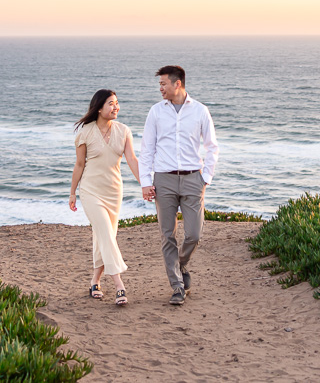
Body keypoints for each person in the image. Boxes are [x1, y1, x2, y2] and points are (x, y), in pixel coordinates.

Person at [139, 65, 219, 305]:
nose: (160, 88)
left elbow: (212, 147)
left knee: (194, 234)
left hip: (194, 178)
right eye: (160, 84)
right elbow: (147, 149)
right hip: (164, 179)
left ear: (178, 84)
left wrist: (206, 178)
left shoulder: (200, 111)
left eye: (164, 84)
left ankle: (180, 263)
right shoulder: (155, 112)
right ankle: (177, 287)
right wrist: (145, 182)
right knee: (167, 235)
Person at [69, 89, 141, 306]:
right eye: (111, 103)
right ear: (99, 107)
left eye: (117, 103)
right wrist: (72, 193)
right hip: (91, 191)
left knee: (105, 236)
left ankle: (95, 281)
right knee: (106, 235)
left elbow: (131, 159)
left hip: (114, 191)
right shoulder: (85, 132)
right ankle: (119, 284)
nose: (116, 107)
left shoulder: (124, 130)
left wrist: (145, 184)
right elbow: (80, 164)